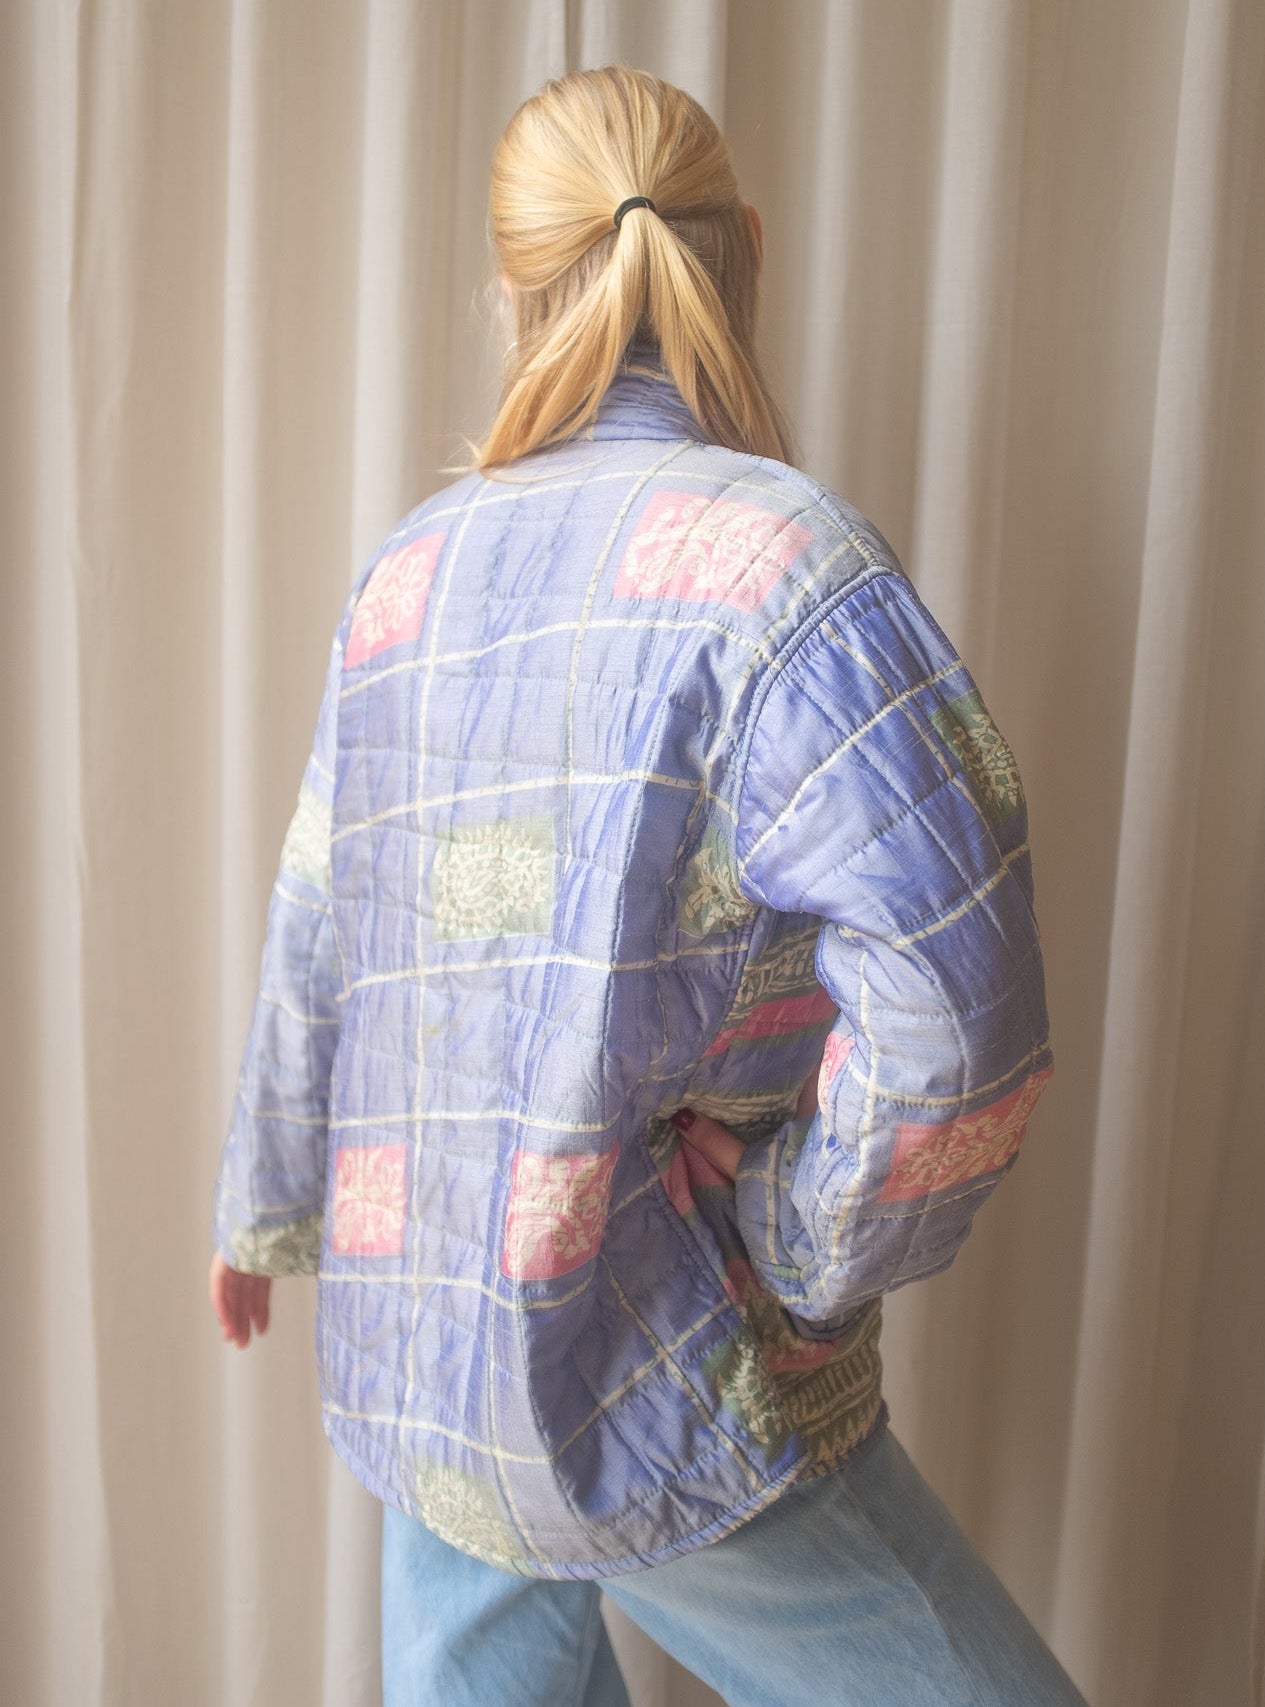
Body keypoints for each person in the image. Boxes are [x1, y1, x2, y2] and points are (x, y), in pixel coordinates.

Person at [208, 64, 1085, 1707]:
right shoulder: (789, 576)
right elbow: (962, 1014)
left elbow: (322, 920)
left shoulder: (405, 580)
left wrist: (262, 1202)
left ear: (508, 290)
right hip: (655, 1349)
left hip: (435, 1341)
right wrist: (797, 1240)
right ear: (746, 243)